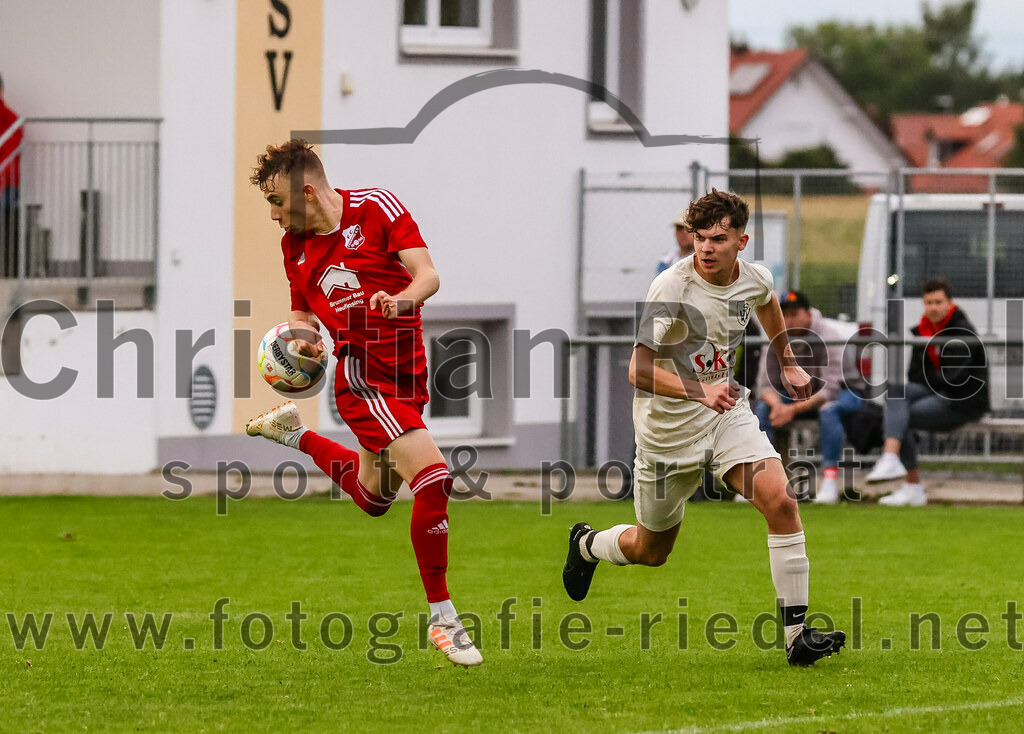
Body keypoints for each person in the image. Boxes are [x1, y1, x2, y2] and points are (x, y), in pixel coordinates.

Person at [563, 189, 846, 666]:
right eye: (698, 238)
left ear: (742, 240)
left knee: (781, 500)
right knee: (651, 550)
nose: (706, 248)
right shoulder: (670, 287)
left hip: (726, 418)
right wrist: (699, 391)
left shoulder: (754, 279)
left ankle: (797, 637)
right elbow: (638, 371)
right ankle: (588, 544)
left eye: (717, 238)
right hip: (666, 435)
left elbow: (768, 303)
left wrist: (790, 363)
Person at [245, 140, 482, 667]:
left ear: (307, 191)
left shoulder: (377, 207)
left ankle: (295, 434)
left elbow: (428, 275)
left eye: (279, 205)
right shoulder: (295, 250)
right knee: (434, 478)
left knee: (375, 499)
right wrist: (305, 343)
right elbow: (302, 316)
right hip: (361, 375)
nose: (276, 218)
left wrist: (402, 300)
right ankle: (444, 618)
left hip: (410, 371)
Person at [865, 280, 989, 506]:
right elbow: (914, 375)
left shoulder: (963, 331)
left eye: (938, 302)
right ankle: (891, 458)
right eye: (928, 302)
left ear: (950, 303)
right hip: (937, 394)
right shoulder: (922, 331)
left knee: (899, 420)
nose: (933, 307)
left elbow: (956, 381)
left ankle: (911, 484)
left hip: (961, 402)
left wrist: (931, 379)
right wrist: (931, 380)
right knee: (895, 393)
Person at [754, 290, 866, 504]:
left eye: (795, 313)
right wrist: (778, 405)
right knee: (762, 411)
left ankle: (830, 482)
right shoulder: (775, 336)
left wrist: (792, 409)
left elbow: (831, 389)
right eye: (784, 314)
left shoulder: (829, 335)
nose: (788, 319)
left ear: (808, 313)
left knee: (829, 411)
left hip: (847, 392)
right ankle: (762, 481)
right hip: (795, 396)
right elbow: (764, 386)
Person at [0, 73, 23, 276]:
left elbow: (8, 155)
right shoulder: (12, 119)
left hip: (6, 185)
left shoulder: (8, 119)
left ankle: (6, 271)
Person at [656, 209, 695, 273]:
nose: (683, 232)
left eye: (688, 229)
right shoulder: (666, 261)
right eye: (679, 228)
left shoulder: (703, 261)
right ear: (675, 232)